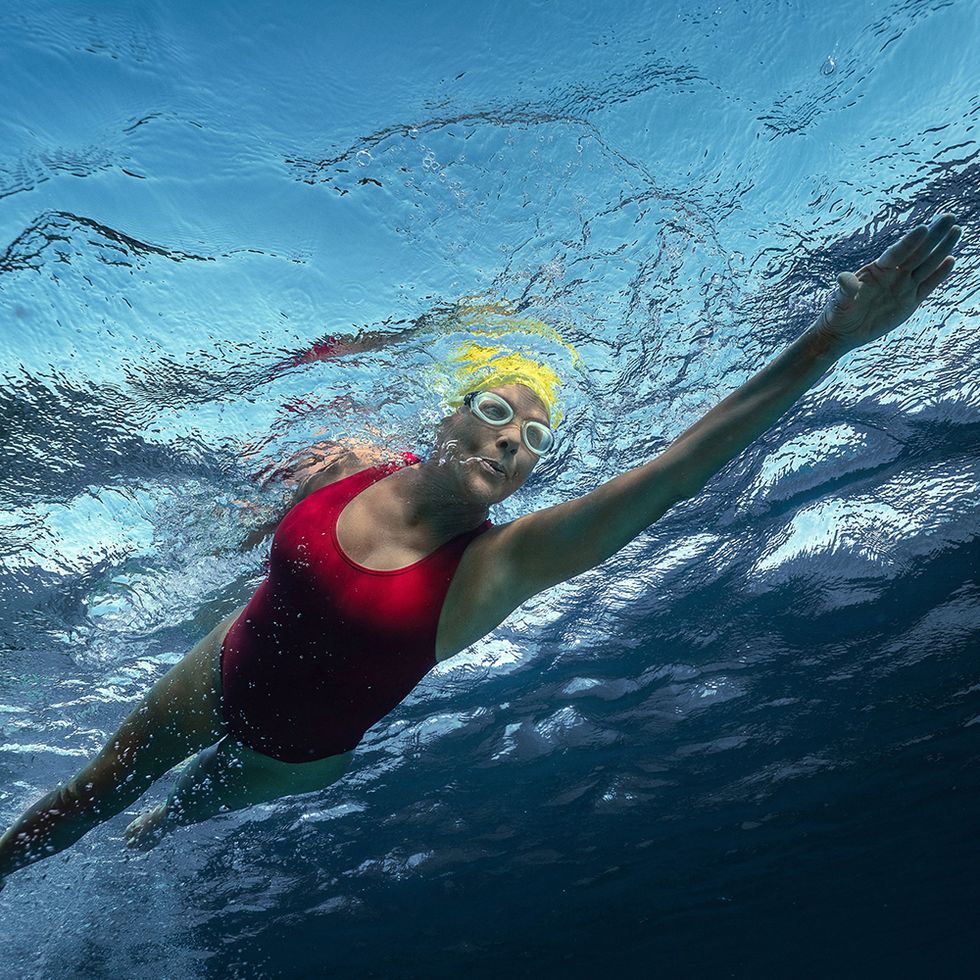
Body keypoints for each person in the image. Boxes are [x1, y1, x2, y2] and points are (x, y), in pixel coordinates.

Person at [0, 212, 962, 890]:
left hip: (293, 755)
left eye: (534, 439)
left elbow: (678, 469)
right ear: (450, 415)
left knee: (153, 828)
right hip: (223, 664)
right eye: (499, 412)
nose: (513, 439)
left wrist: (828, 340)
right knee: (92, 790)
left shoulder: (503, 564)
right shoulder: (356, 461)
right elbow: (272, 545)